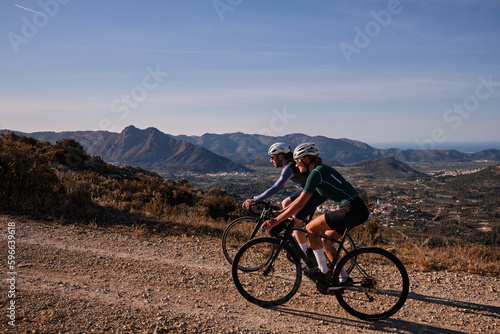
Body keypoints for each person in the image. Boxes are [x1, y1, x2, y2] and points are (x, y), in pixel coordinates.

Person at [263, 143, 370, 284]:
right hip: (357, 209)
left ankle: (323, 272)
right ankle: (344, 279)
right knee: (327, 242)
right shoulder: (321, 170)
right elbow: (299, 202)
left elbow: (300, 204)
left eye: (298, 160)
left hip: (350, 209)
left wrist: (276, 221)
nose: (296, 164)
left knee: (310, 228)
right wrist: (282, 212)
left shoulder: (315, 174)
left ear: (306, 159)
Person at [243, 142, 327, 256]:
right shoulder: (291, 165)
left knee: (295, 222)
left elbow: (275, 188)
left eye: (272, 157)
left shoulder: (289, 168)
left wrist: (255, 200)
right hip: (310, 191)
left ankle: (302, 256)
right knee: (285, 202)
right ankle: (294, 236)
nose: (271, 160)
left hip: (317, 194)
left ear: (280, 156)